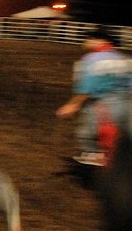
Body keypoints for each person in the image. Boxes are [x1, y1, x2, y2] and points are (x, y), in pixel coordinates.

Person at [56, 25, 132, 166]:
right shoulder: (125, 59)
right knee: (121, 137)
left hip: (103, 106)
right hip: (125, 104)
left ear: (101, 41)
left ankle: (96, 157)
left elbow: (86, 87)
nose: (86, 41)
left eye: (90, 38)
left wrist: (72, 105)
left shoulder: (91, 60)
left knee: (90, 134)